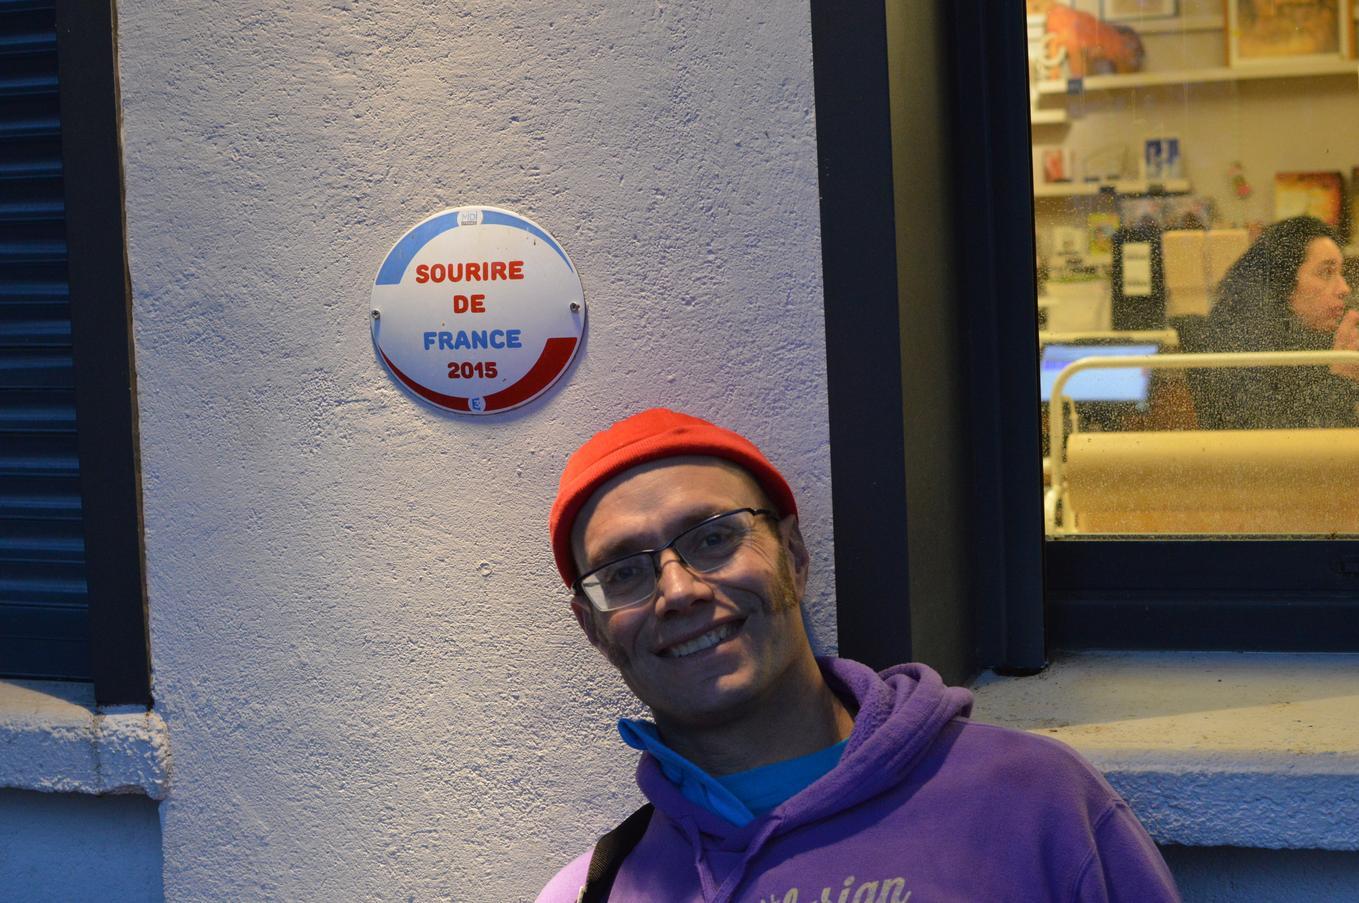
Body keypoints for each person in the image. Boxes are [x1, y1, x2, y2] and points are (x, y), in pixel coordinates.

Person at [537, 407, 1179, 902]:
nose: (678, 591)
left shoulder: (1035, 804)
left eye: (713, 538)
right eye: (623, 573)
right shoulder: (591, 892)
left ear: (793, 555)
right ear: (593, 627)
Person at [1197, 216, 1358, 429]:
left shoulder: (1317, 338)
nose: (1344, 288)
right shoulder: (1242, 340)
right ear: (1282, 280)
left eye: (1341, 273)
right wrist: (1342, 377)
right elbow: (1274, 438)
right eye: (1326, 273)